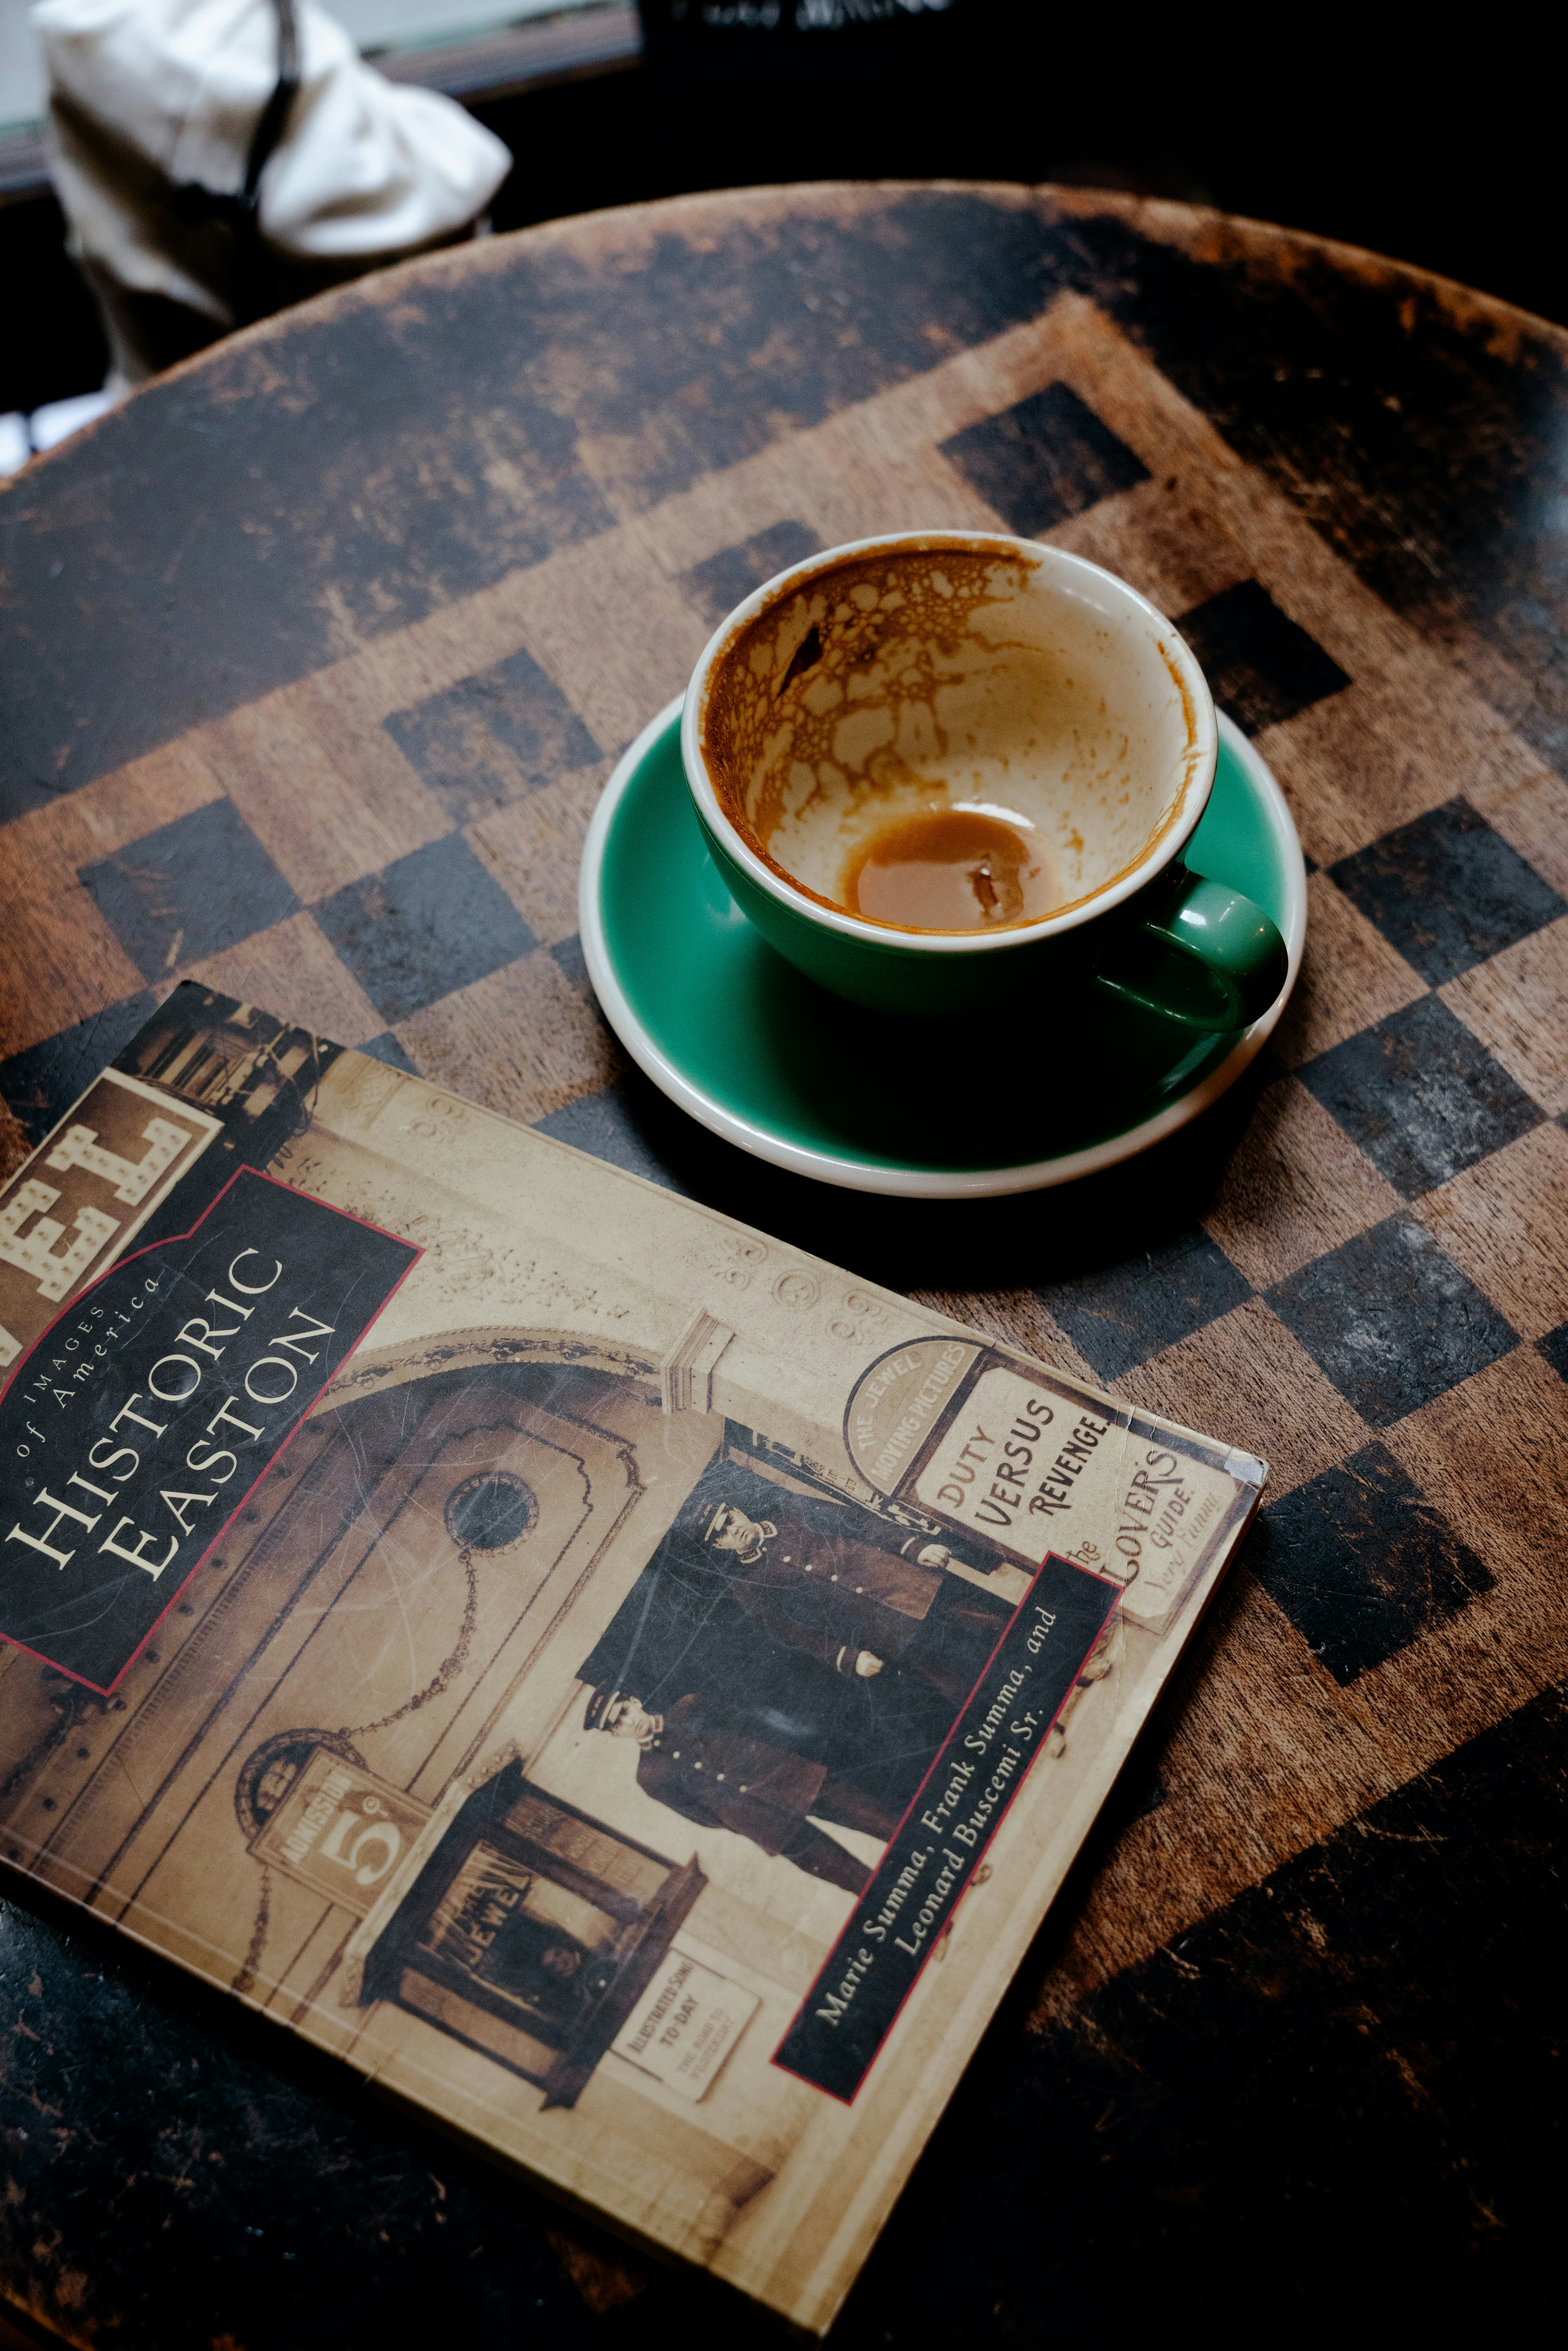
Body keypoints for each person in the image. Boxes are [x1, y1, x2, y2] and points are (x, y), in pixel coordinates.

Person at [697, 1482, 1011, 1712]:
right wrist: (847, 1656)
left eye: (729, 1519)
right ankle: (1024, 1720)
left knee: (993, 1628)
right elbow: (791, 1633)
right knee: (959, 1682)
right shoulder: (748, 1586)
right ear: (719, 1547)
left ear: (738, 1511)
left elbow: (859, 1523)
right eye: (721, 1534)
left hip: (907, 1584)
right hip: (880, 1631)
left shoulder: (791, 1511)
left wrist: (913, 1547)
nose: (732, 1530)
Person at [584, 1683, 901, 1897]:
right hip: (762, 1821)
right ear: (615, 1735)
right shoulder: (650, 1775)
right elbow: (703, 1816)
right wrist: (741, 1817)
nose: (629, 1722)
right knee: (845, 1873)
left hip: (791, 1776)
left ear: (635, 1702)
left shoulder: (690, 1708)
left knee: (879, 1820)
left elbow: (755, 1724)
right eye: (618, 1724)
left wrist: (795, 1762)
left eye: (625, 1711)